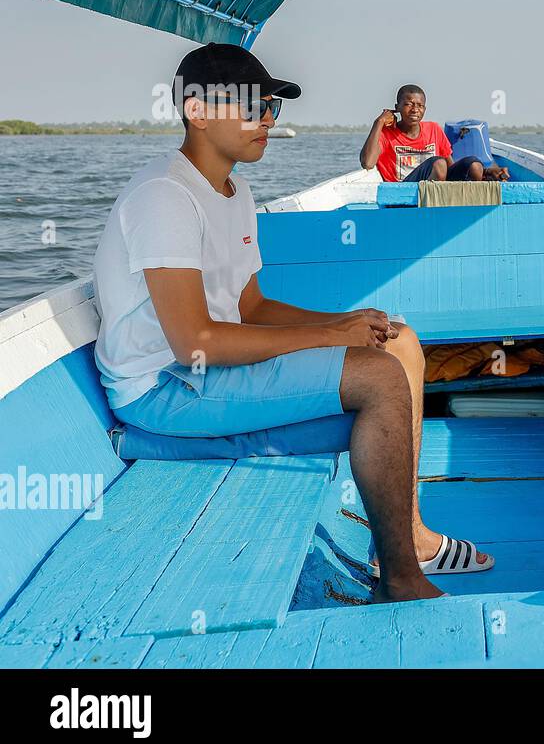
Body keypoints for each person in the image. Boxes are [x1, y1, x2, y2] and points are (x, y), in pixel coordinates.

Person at [93, 44, 492, 604]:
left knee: (398, 342)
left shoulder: (233, 190)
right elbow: (194, 342)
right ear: (198, 111)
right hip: (164, 388)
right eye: (252, 106)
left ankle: (412, 536)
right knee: (379, 382)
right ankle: (401, 578)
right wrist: (332, 337)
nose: (268, 120)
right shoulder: (165, 197)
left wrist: (347, 321)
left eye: (272, 108)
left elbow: (251, 308)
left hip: (210, 372)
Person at [359, 84, 509, 183]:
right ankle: (435, 212)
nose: (414, 109)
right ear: (397, 107)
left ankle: (471, 209)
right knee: (438, 163)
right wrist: (378, 122)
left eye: (419, 105)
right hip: (405, 192)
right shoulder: (387, 134)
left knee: (475, 165)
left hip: (437, 188)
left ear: (424, 109)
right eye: (408, 104)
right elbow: (368, 162)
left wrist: (487, 172)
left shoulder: (433, 129)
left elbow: (451, 167)